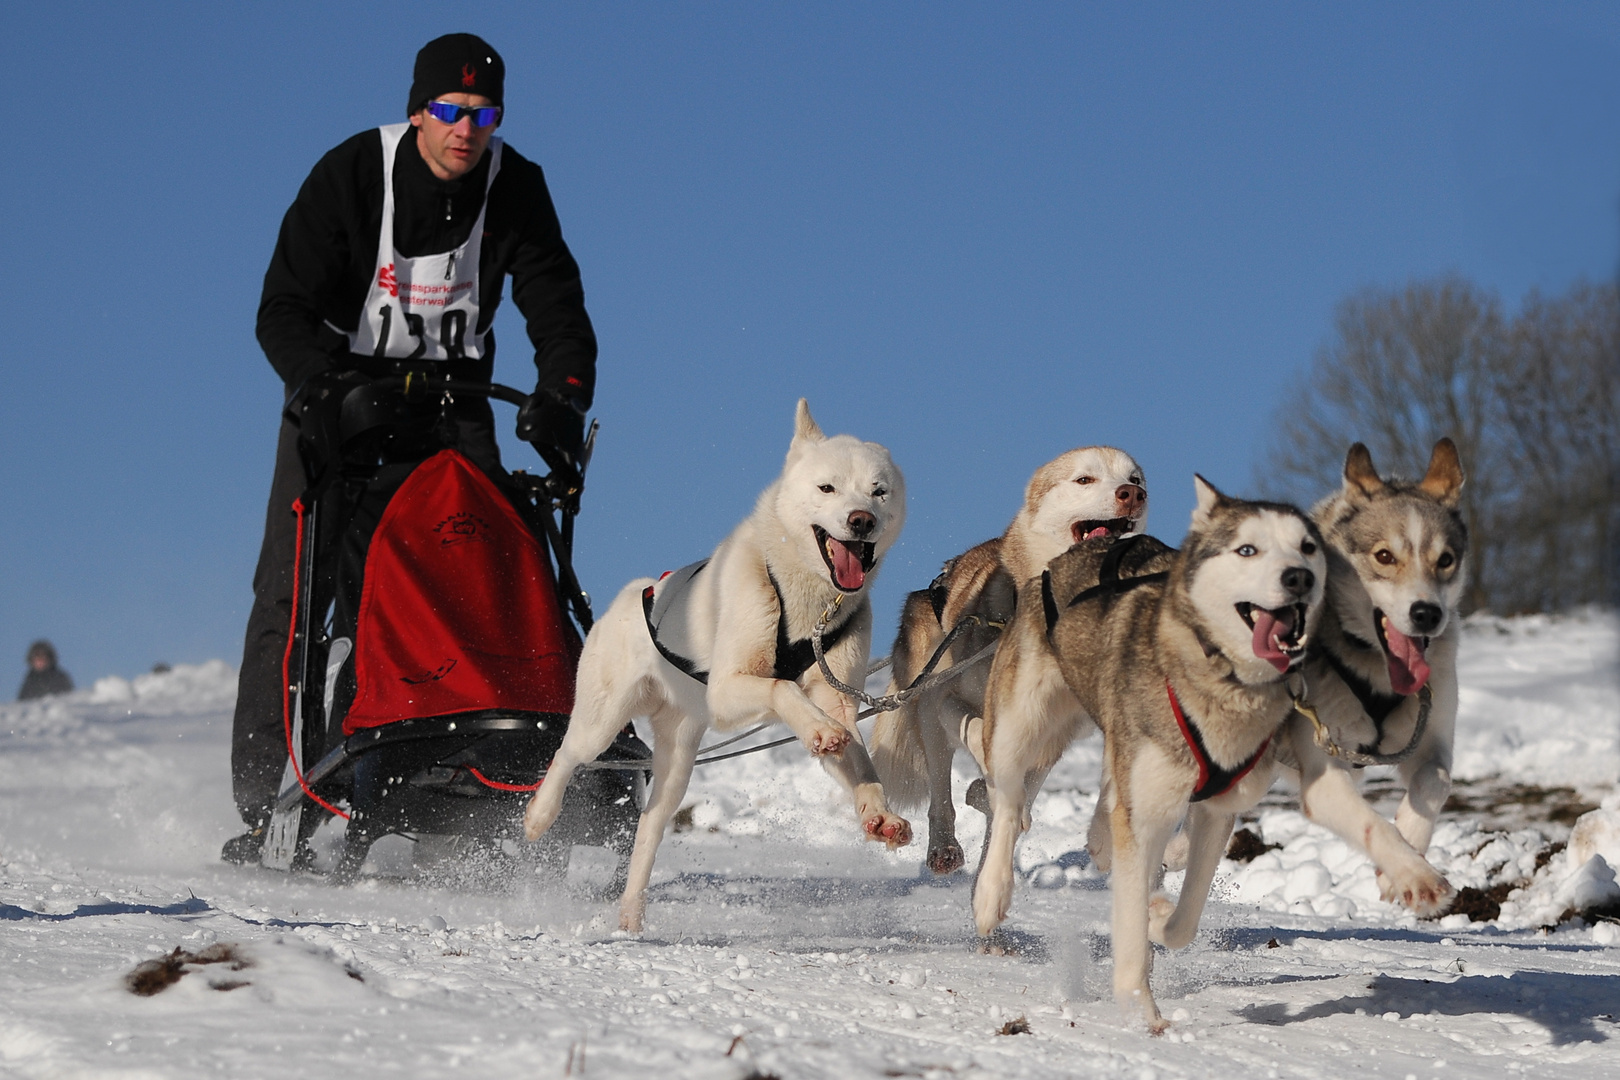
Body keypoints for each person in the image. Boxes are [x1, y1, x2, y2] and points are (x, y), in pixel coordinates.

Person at [226, 33, 598, 863]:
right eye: (450, 111)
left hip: (452, 401)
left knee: (481, 572)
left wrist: (564, 401)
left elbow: (558, 310)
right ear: (418, 110)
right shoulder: (352, 174)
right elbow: (280, 308)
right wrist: (317, 388)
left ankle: (468, 768)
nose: (466, 130)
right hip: (340, 397)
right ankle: (267, 799)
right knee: (296, 593)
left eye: (484, 115)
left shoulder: (517, 189)